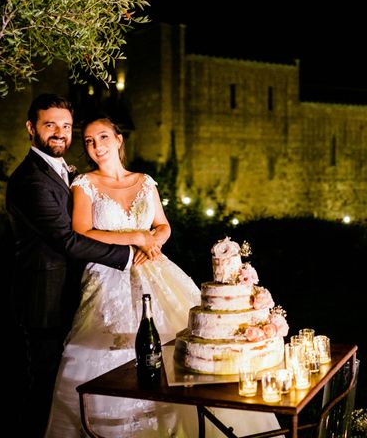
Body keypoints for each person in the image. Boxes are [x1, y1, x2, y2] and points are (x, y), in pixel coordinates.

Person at [45, 114, 281, 437]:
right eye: (88, 141)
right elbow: (82, 232)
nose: (95, 146)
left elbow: (163, 225)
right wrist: (135, 238)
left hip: (156, 271)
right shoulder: (85, 184)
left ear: (118, 140)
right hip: (107, 275)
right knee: (109, 352)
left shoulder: (144, 181)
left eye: (102, 137)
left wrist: (153, 240)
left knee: (181, 345)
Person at [5, 94, 135, 437]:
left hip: (73, 297)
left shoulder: (65, 172)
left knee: (66, 385)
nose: (60, 133)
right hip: (45, 302)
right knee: (44, 389)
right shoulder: (30, 180)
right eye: (50, 126)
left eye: (66, 126)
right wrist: (129, 255)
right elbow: (67, 240)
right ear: (31, 129)